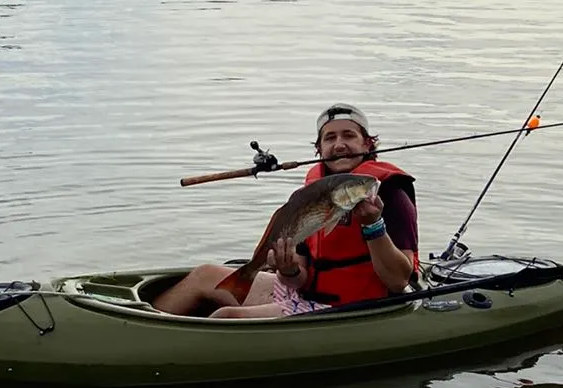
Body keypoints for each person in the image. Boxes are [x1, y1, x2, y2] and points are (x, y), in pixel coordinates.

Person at [151, 104, 419, 319]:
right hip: (308, 294)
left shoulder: (388, 192)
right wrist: (288, 270)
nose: (339, 145)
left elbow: (398, 282)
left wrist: (374, 226)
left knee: (227, 315)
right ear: (319, 149)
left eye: (349, 135)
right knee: (203, 274)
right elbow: (298, 280)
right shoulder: (312, 192)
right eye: (330, 138)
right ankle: (145, 323)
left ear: (367, 145)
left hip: (354, 308)